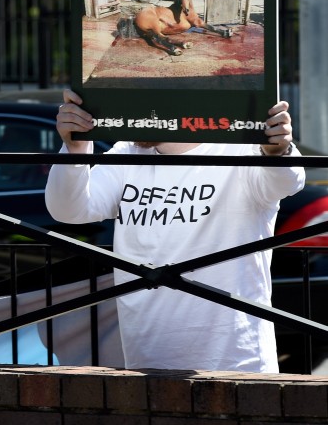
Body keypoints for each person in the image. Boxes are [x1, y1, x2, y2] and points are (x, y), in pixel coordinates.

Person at [46, 88, 305, 372]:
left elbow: (288, 182)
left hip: (238, 365)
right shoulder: (127, 151)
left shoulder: (239, 148)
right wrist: (75, 147)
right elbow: (68, 210)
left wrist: (278, 150)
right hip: (146, 365)